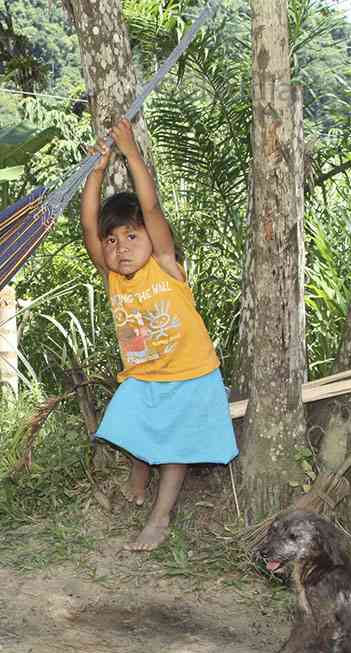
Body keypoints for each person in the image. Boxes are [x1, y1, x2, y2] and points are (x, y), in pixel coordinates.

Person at [80, 119, 238, 551]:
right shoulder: (113, 277)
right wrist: (96, 172)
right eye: (113, 241)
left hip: (190, 374)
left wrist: (130, 152)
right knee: (128, 424)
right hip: (144, 375)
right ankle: (138, 473)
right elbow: (89, 228)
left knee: (175, 450)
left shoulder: (166, 265)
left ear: (153, 238)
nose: (122, 248)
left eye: (132, 236)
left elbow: (151, 209)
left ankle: (159, 518)